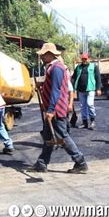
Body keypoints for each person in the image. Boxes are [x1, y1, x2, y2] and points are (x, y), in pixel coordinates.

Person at [27, 43, 88, 174]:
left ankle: (80, 161)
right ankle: (41, 163)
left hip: (57, 109)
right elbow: (53, 85)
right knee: (48, 137)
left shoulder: (57, 68)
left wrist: (50, 110)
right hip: (54, 108)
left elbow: (56, 90)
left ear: (49, 55)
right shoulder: (52, 68)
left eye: (43, 55)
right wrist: (42, 84)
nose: (41, 57)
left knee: (63, 136)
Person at [72, 52, 102, 130]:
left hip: (90, 89)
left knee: (90, 104)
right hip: (81, 90)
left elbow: (98, 78)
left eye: (86, 58)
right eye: (83, 59)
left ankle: (92, 121)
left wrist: (98, 88)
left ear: (89, 59)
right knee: (82, 106)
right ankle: (84, 123)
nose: (84, 60)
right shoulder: (78, 67)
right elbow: (73, 78)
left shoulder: (94, 66)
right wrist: (73, 88)